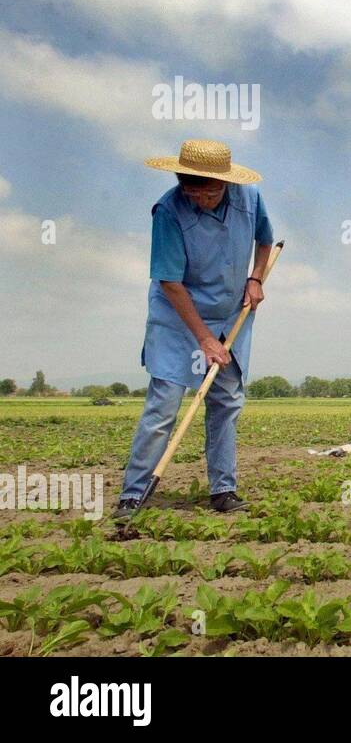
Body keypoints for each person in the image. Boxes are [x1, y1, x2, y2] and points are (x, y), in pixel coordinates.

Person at [114, 139, 273, 518]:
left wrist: (256, 278)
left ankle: (223, 490)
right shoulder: (169, 210)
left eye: (208, 190)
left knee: (226, 401)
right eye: (191, 189)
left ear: (226, 183)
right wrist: (202, 338)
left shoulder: (250, 199)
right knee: (165, 402)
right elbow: (170, 282)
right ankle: (133, 493)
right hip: (178, 316)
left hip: (230, 314)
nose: (199, 197)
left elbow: (266, 240)